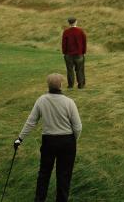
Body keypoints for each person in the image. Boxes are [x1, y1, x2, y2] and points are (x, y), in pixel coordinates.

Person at [13, 73, 82, 202]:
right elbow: (78, 127)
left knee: (44, 173)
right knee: (64, 175)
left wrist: (20, 138)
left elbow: (31, 121)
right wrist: (73, 140)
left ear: (48, 86)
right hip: (67, 142)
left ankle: (39, 199)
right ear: (61, 85)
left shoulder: (41, 100)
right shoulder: (69, 102)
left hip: (49, 141)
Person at [61, 17, 86, 89]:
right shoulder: (80, 31)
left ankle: (70, 85)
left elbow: (64, 43)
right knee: (80, 70)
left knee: (70, 70)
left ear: (69, 23)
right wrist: (83, 52)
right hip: (79, 54)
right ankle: (81, 85)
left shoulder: (66, 32)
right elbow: (84, 42)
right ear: (76, 22)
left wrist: (64, 52)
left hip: (68, 54)